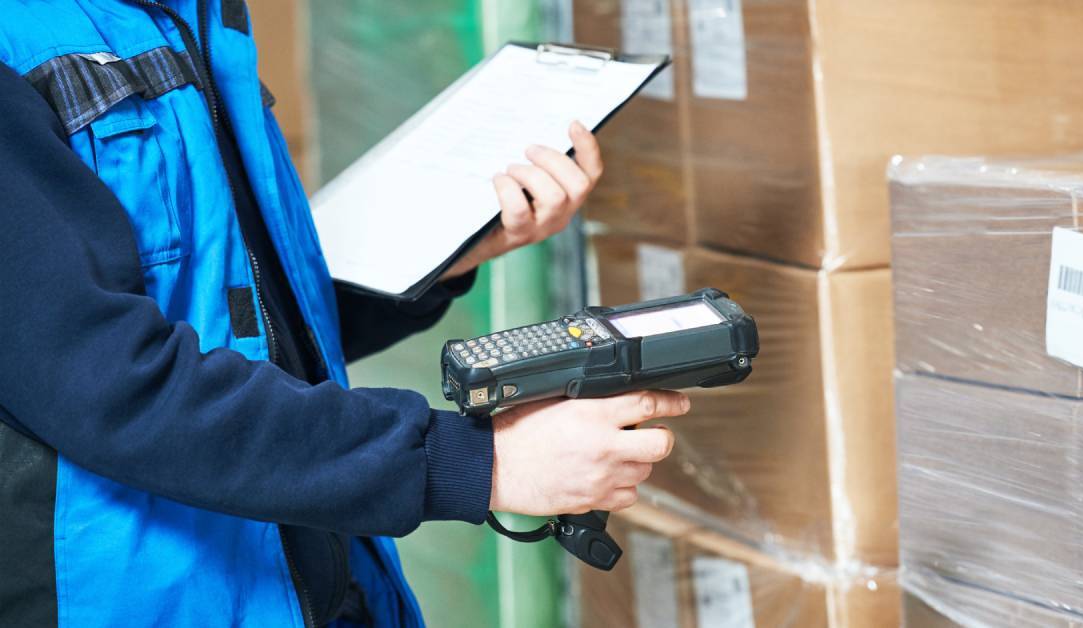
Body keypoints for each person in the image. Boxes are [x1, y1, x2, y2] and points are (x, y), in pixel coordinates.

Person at [0, 2, 689, 626]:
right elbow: (107, 383)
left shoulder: (192, 16)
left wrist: (443, 254)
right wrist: (480, 461)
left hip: (316, 582)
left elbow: (243, 318)